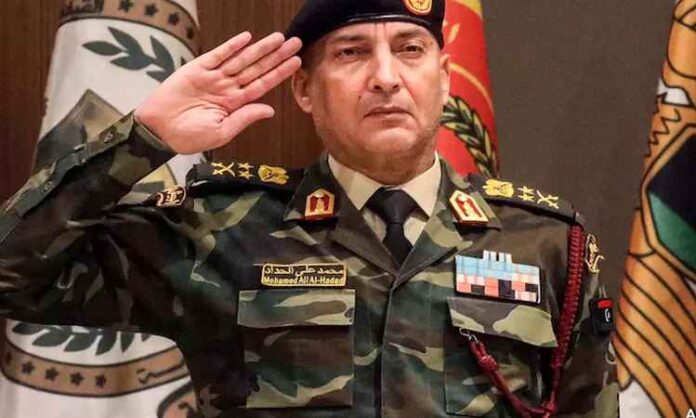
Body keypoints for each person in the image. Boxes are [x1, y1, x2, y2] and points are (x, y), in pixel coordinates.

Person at [0, 0, 618, 416]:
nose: (386, 77)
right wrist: (143, 139)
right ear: (303, 87)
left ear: (445, 77)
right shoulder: (220, 228)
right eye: (351, 52)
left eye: (410, 49)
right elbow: (12, 275)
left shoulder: (542, 241)